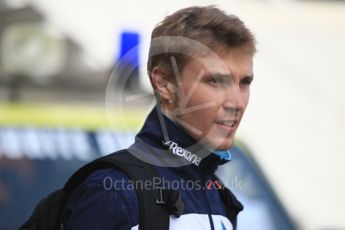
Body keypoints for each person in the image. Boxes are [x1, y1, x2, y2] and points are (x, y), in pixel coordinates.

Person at [62, 5, 256, 230]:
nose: (236, 103)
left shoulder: (218, 197)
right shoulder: (113, 192)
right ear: (164, 83)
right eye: (216, 81)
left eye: (244, 83)